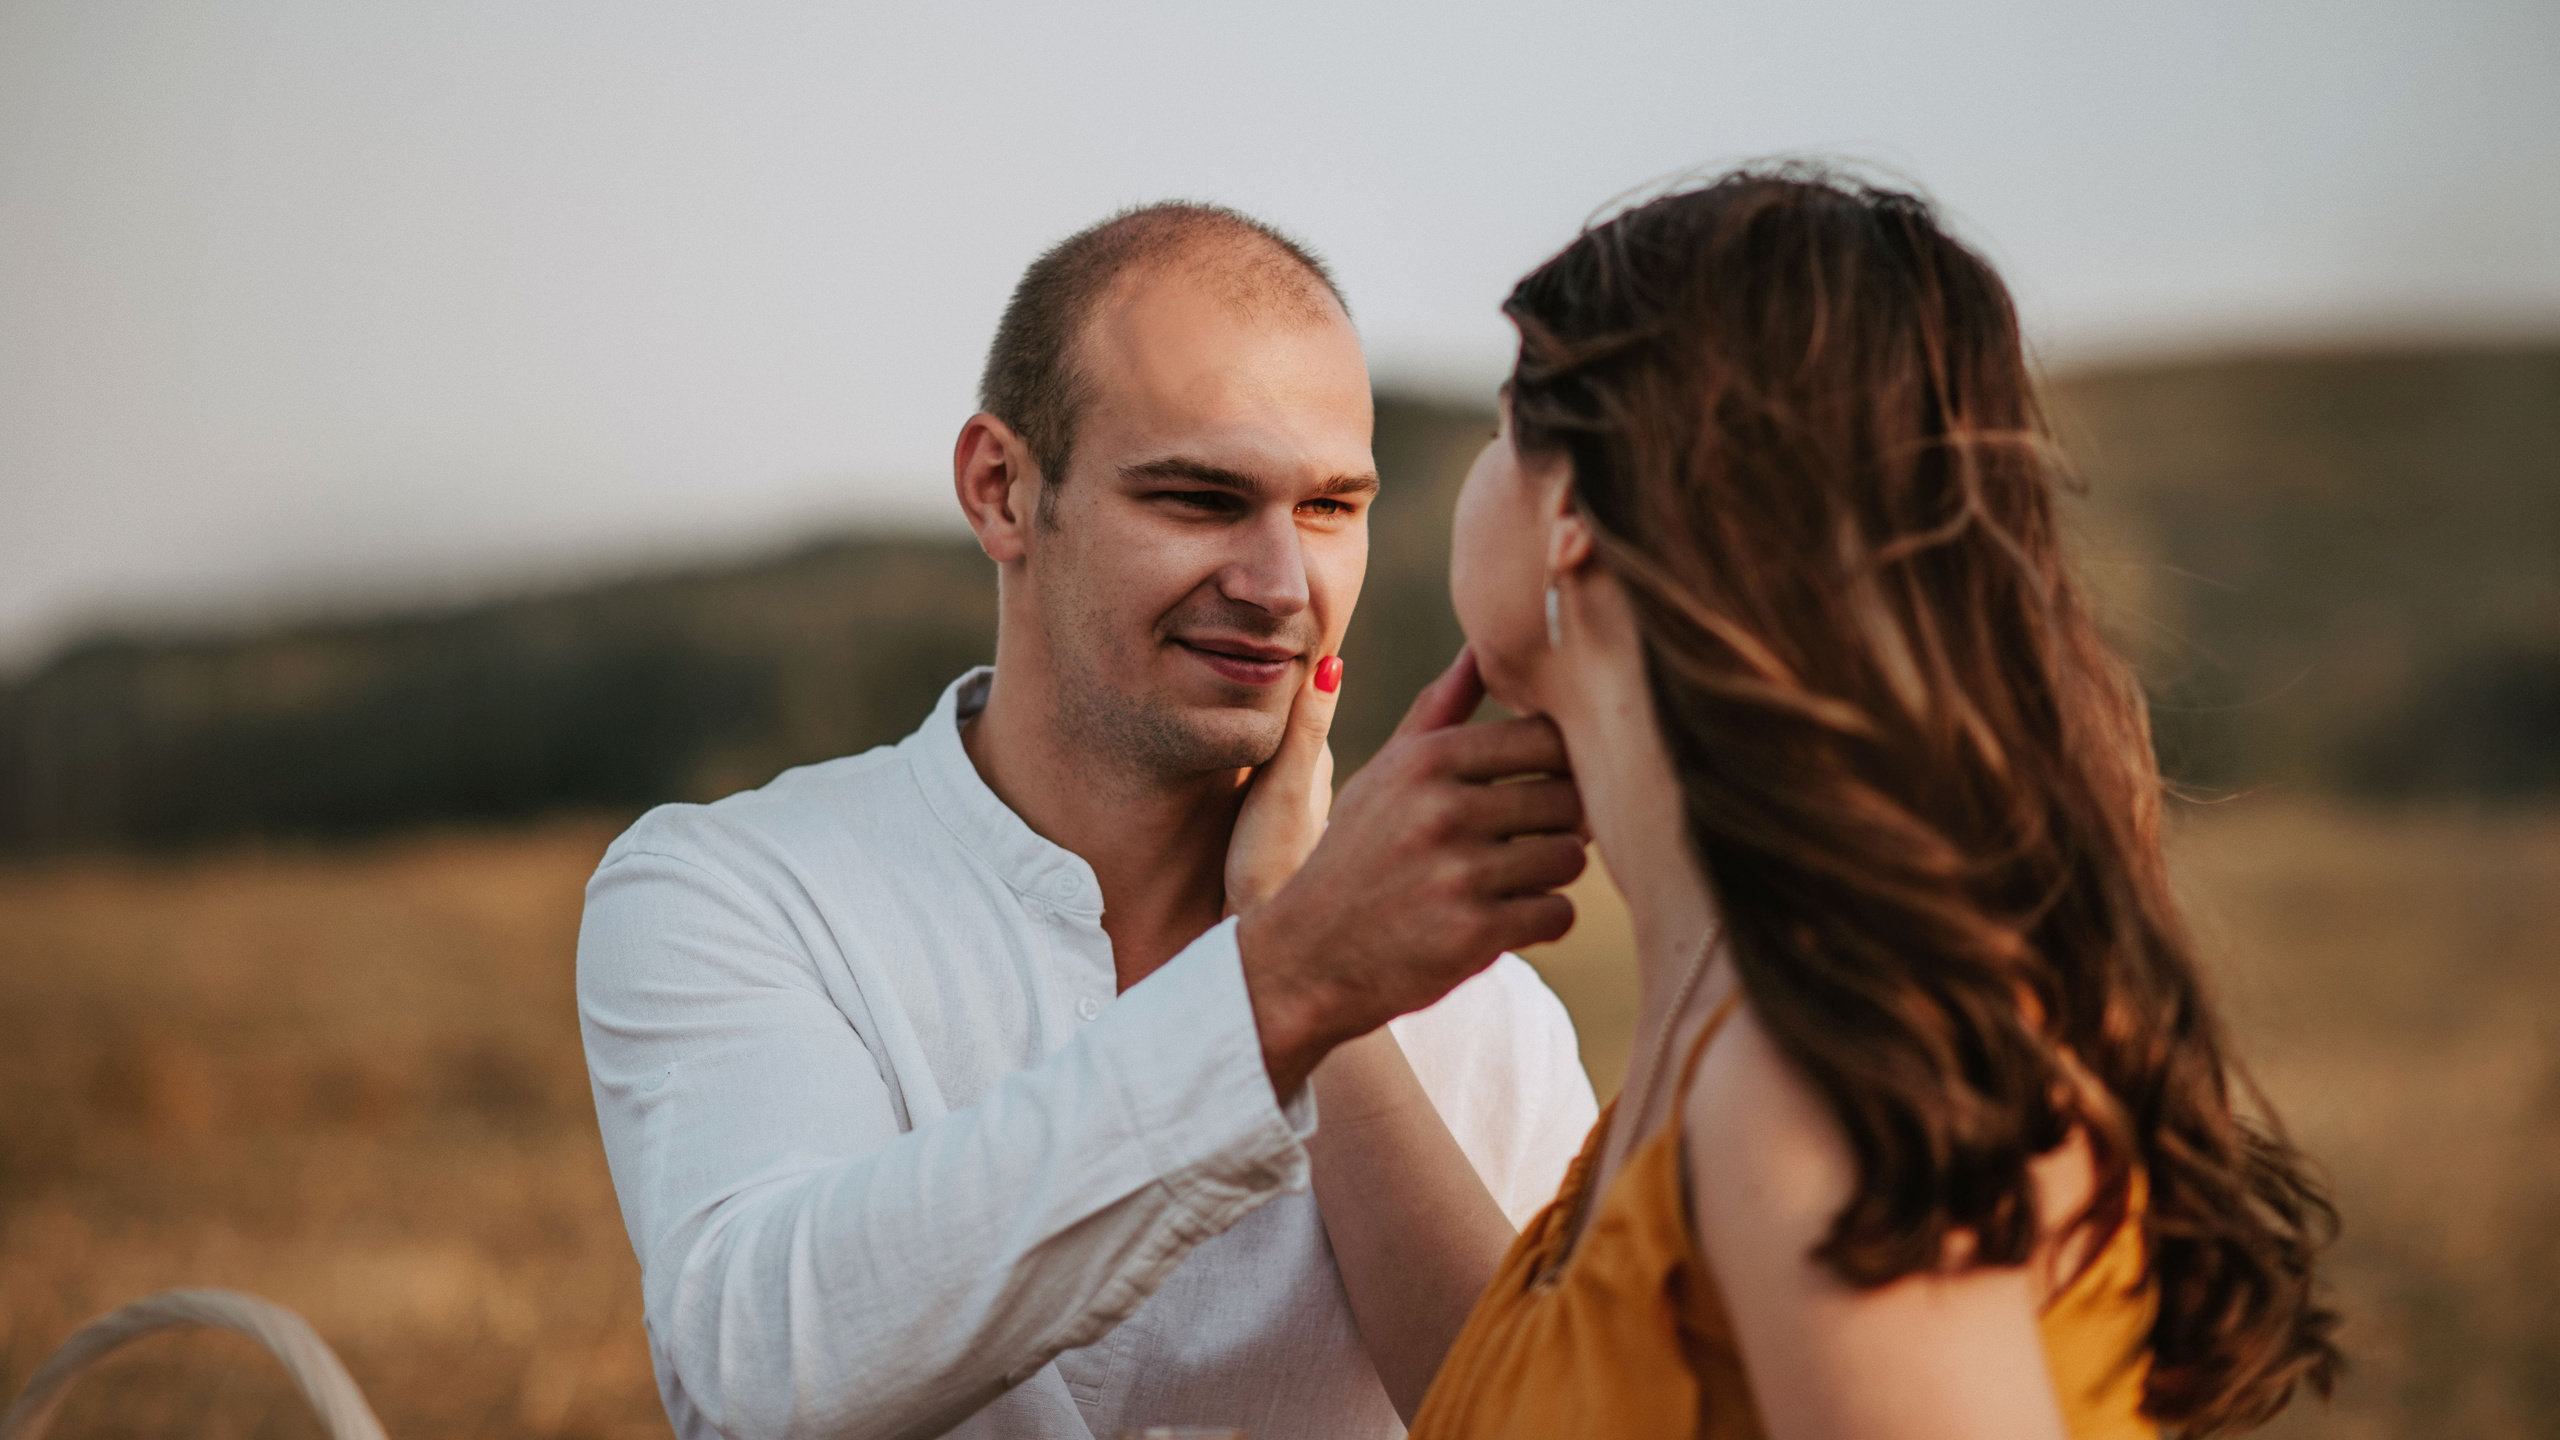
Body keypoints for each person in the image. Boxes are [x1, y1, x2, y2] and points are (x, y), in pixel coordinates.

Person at [1309, 169, 2342, 1438]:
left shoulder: (1813, 1080)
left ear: (1572, 507)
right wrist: (1298, 947)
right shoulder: (1747, 1019)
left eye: (1498, 423)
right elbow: (1536, 1404)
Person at [574, 201, 1598, 1440]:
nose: (1283, 587)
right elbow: (763, 1370)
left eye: (1331, 508)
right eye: (1200, 498)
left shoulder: (1488, 1016)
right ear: (1001, 490)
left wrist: (1319, 980)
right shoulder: (737, 891)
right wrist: (1279, 986)